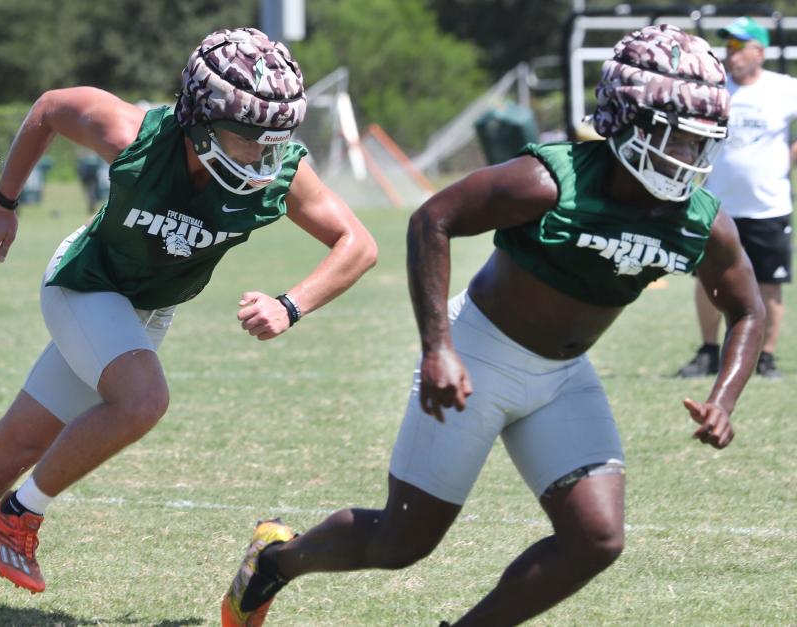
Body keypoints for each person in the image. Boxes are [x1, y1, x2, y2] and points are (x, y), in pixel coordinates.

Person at [221, 24, 765, 627]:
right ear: (628, 120)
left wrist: (726, 396)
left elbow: (746, 308)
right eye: (677, 137)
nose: (690, 156)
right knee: (402, 542)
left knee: (597, 539)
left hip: (563, 377)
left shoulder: (699, 222)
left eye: (700, 141)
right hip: (478, 355)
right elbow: (433, 220)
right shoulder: (551, 181)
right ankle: (276, 559)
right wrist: (438, 347)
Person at [0, 27, 377, 621]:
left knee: (15, 446)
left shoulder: (279, 171)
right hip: (86, 285)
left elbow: (356, 243)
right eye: (248, 138)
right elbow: (50, 107)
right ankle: (18, 515)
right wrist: (3, 203)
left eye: (274, 140)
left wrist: (291, 304)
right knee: (143, 399)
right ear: (199, 122)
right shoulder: (136, 136)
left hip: (146, 312)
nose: (263, 155)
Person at [678, 16, 797, 379]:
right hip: (717, 205)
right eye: (726, 46)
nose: (731, 55)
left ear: (759, 52)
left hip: (768, 205)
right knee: (708, 277)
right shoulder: (716, 89)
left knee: (768, 282)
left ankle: (766, 357)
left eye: (738, 46)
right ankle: (709, 351)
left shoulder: (784, 88)